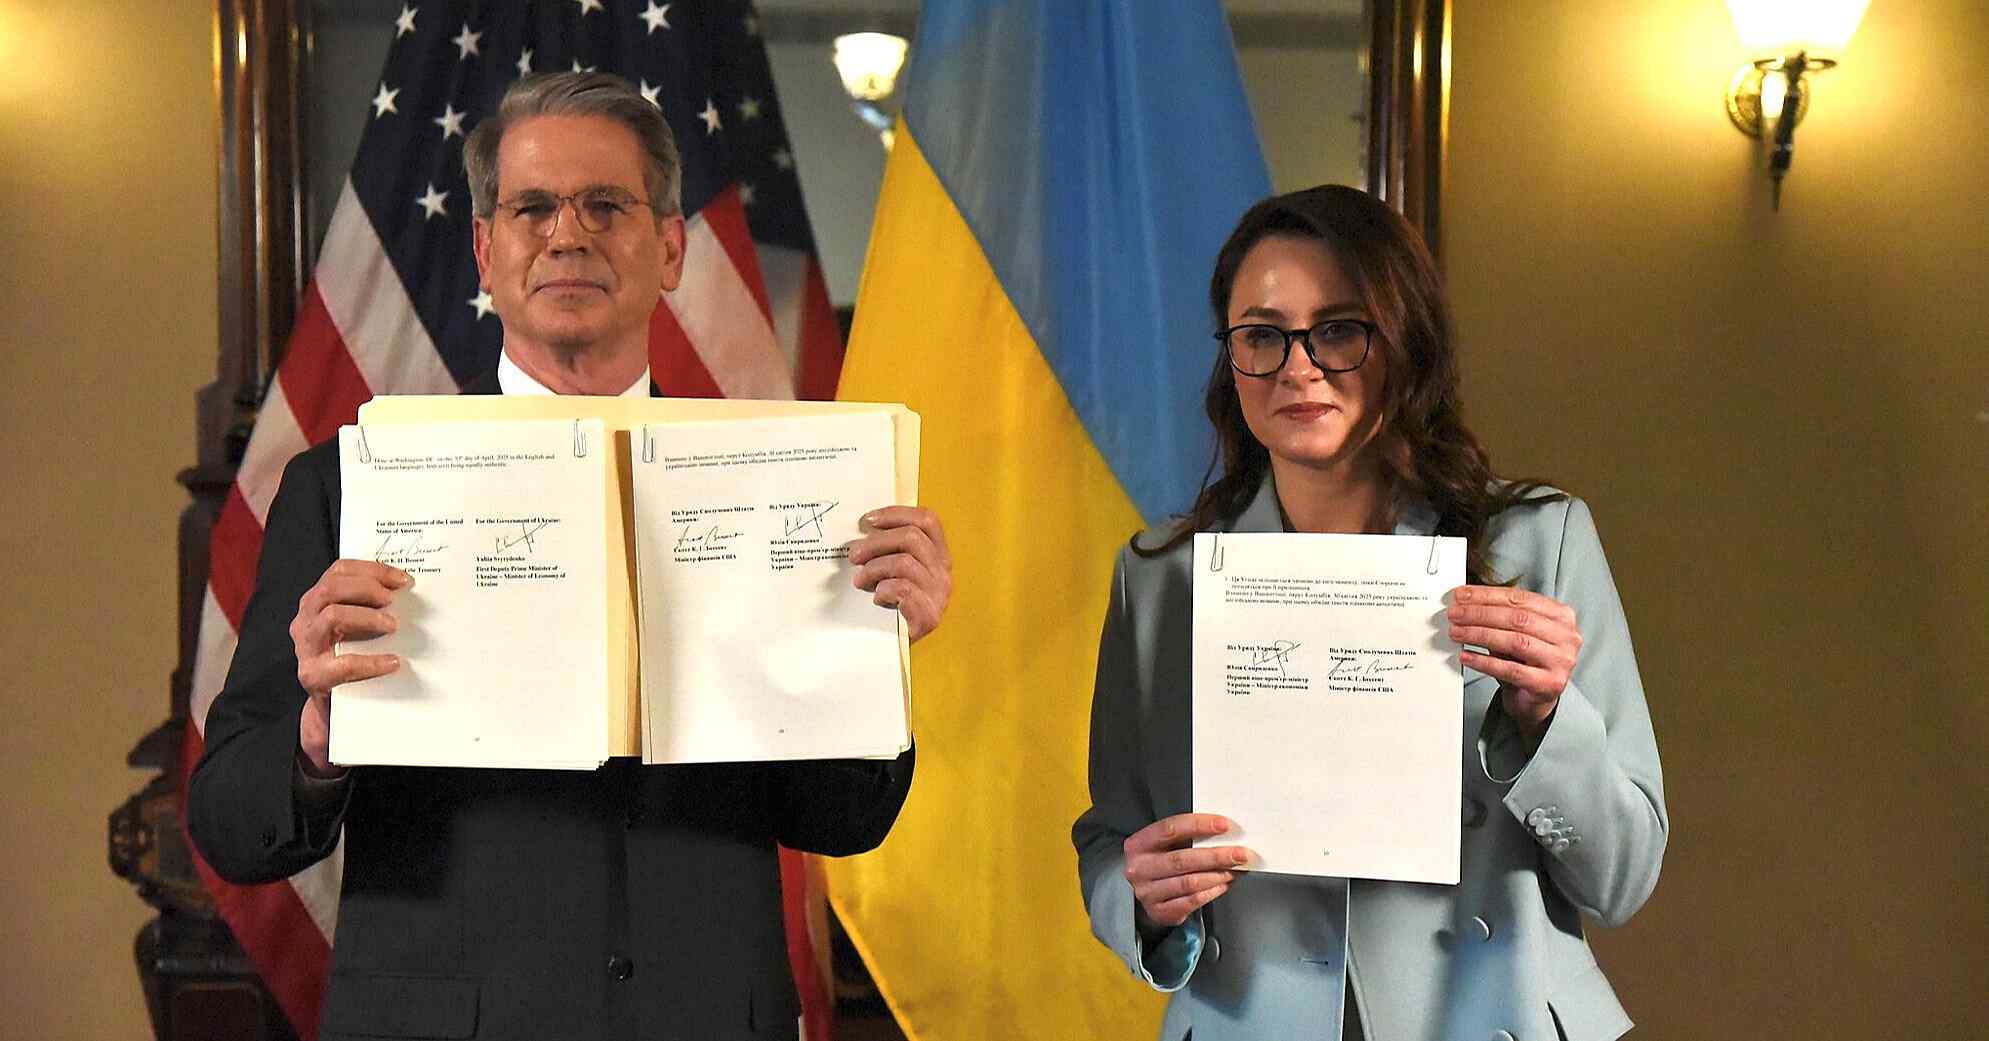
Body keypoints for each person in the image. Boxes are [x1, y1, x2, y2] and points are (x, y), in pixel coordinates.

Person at [189, 72, 952, 1041]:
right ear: (484, 249)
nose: (567, 236)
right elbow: (230, 825)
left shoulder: (782, 483)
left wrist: (873, 651)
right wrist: (316, 733)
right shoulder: (346, 486)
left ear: (670, 247)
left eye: (605, 206)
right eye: (533, 208)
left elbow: (840, 819)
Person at [1071, 185, 1665, 1041]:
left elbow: (1624, 879)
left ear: (1403, 340)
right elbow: (1109, 838)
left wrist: (1545, 718)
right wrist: (1138, 899)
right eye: (1261, 334)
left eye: (1338, 329)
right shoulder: (1159, 576)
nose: (1297, 367)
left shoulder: (1538, 544)